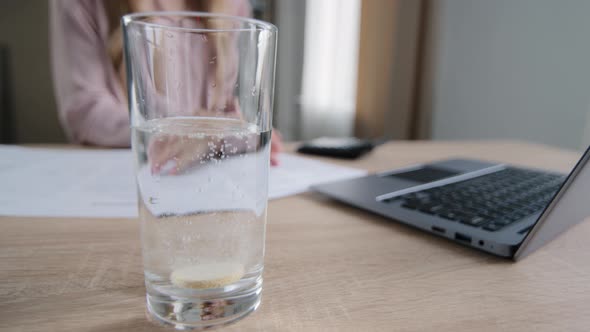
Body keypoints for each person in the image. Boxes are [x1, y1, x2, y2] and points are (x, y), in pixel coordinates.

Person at [49, 0, 282, 165]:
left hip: (197, 172)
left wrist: (230, 135)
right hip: (120, 174)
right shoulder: (86, 5)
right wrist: (194, 127)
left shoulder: (233, 7)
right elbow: (85, 111)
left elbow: (230, 116)